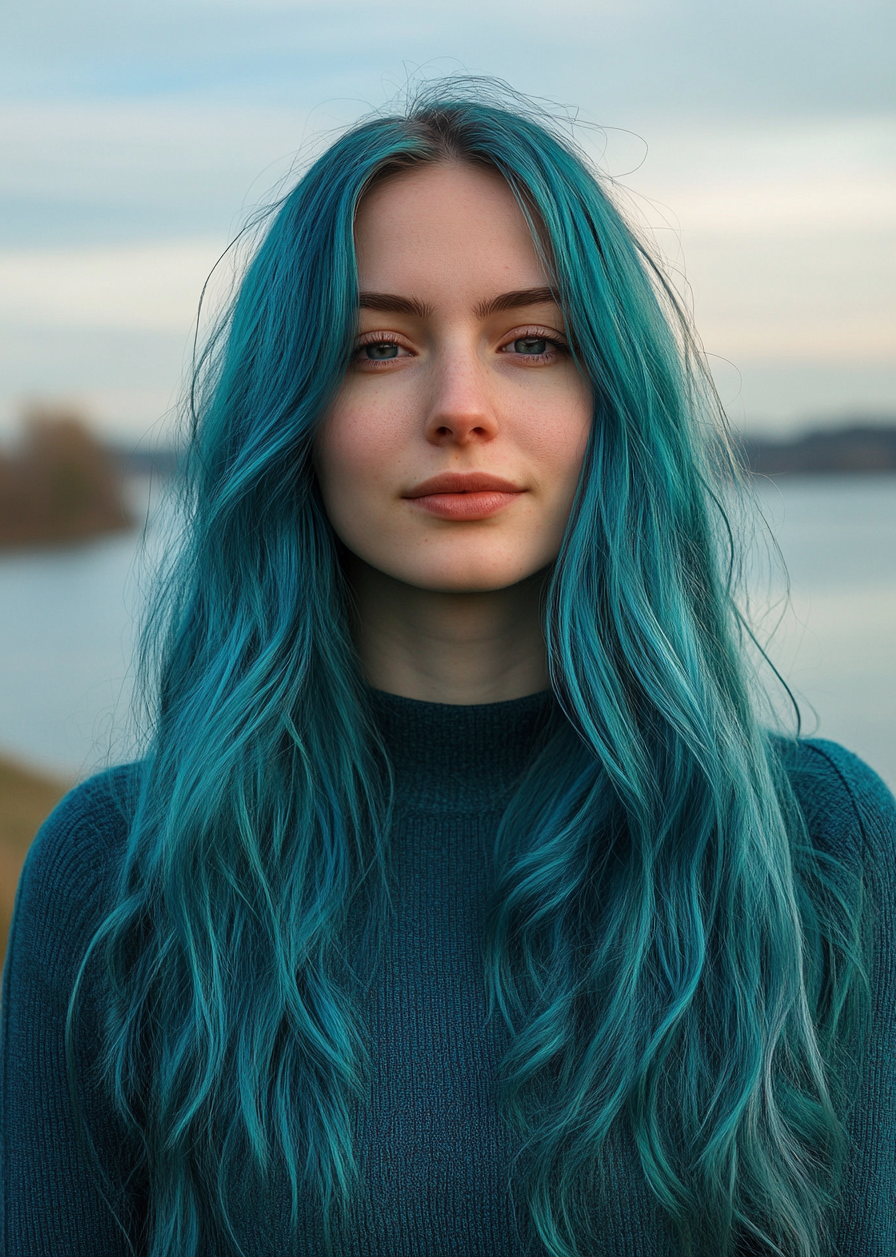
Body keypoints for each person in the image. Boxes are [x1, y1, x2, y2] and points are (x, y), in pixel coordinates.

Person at [1, 80, 894, 1257]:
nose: (459, 407)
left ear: (609, 400)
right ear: (295, 412)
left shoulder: (819, 844)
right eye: (378, 346)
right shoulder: (119, 872)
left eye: (531, 342)